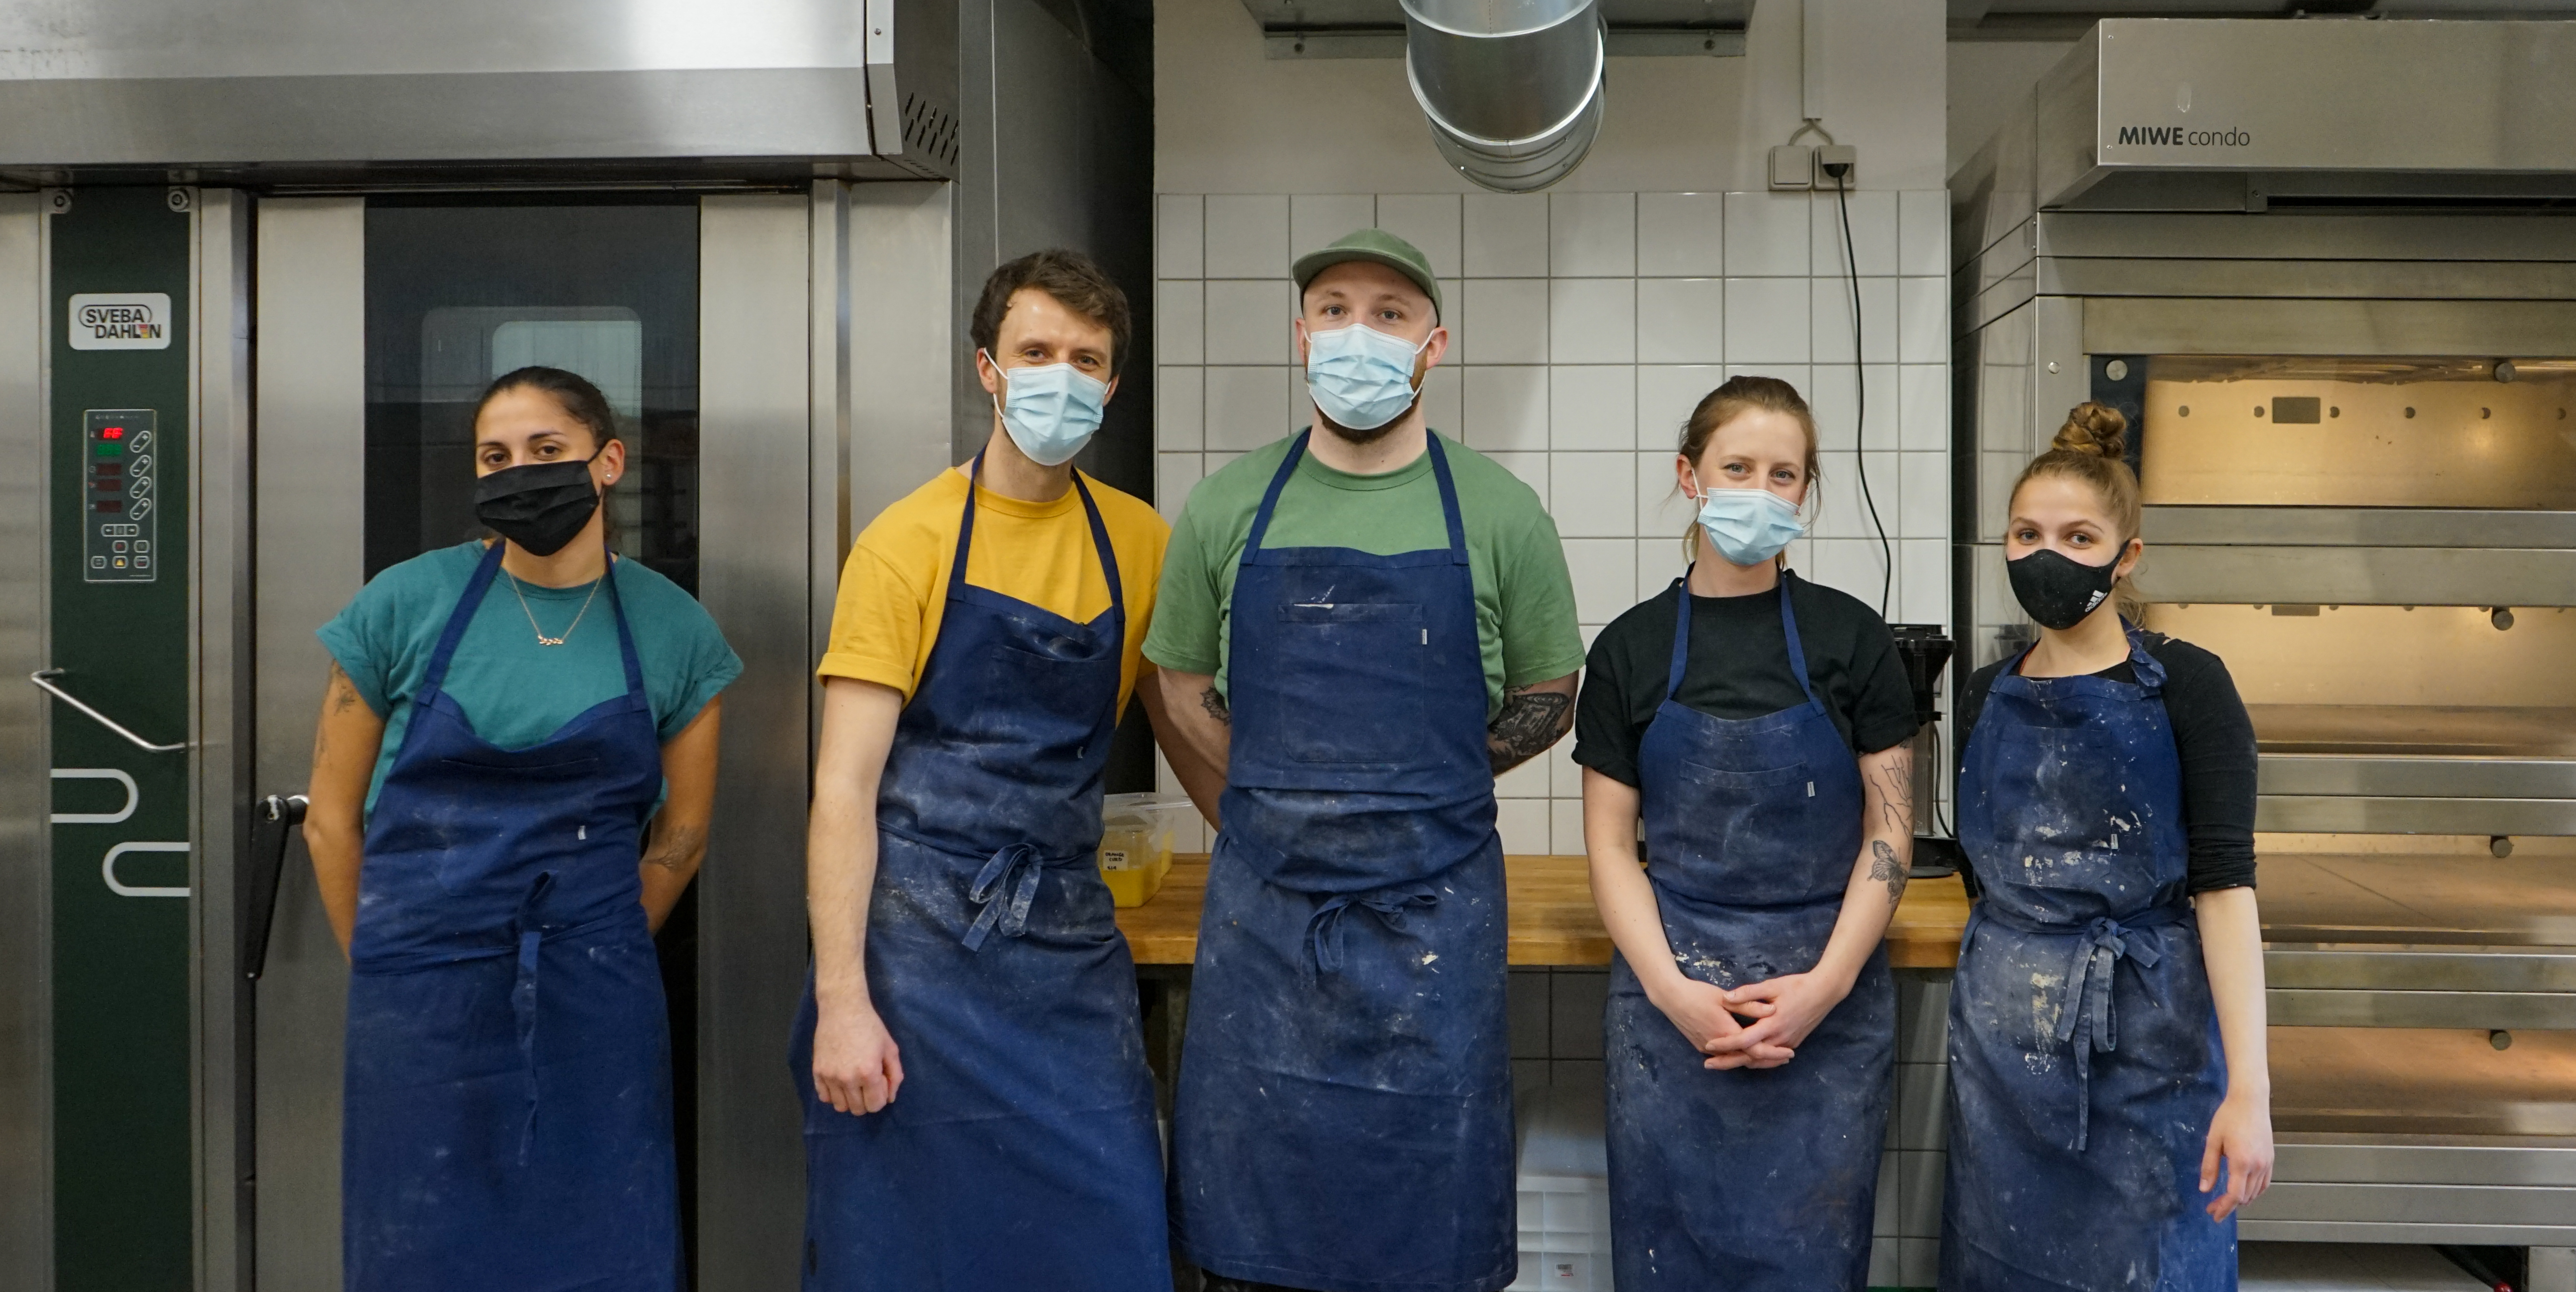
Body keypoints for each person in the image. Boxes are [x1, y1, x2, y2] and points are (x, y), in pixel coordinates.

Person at [1150, 228, 1586, 1292]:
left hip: (1434, 925)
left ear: (1433, 346)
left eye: (1388, 314)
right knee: (1254, 1238)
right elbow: (1174, 686)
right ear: (1301, 336)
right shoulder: (1224, 506)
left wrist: (1417, 787)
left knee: (1425, 1231)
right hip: (1266, 927)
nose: (1358, 333)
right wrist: (1273, 809)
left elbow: (1549, 695)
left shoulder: (1499, 514)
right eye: (1334, 308)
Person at [303, 366, 740, 1292]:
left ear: (607, 461)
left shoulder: (676, 631)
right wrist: (381, 955)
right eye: (494, 457)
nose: (518, 474)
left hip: (595, 995)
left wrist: (604, 939)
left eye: (546, 451)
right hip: (418, 996)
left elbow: (682, 835)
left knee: (599, 1237)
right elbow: (329, 821)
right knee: (420, 1243)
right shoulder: (403, 604)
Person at [795, 249, 1179, 1289]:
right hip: (913, 959)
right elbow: (843, 790)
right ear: (988, 368)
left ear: (1111, 384)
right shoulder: (904, 542)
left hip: (1064, 943)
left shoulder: (1140, 541)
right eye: (1037, 350)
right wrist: (843, 1000)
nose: (1062, 374)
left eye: (1087, 358)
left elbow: (1184, 722)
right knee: (909, 1253)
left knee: (1110, 1234)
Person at [1573, 375, 1918, 1291]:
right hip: (1669, 1002)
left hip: (1825, 1003)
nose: (1761, 491)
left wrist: (1825, 985)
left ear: (1805, 492)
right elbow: (1610, 847)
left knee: (1812, 1257)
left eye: (1783, 474)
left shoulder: (1852, 639)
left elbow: (1889, 836)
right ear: (1691, 476)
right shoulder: (1629, 649)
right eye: (1738, 467)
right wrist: (1674, 991)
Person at [1942, 403, 2273, 1290]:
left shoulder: (2188, 685)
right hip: (2002, 1055)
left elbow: (2225, 887)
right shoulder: (1981, 694)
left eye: (2077, 535)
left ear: (2125, 556)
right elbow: (1984, 877)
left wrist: (2249, 1089)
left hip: (2151, 1051)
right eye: (2027, 532)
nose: (2047, 554)